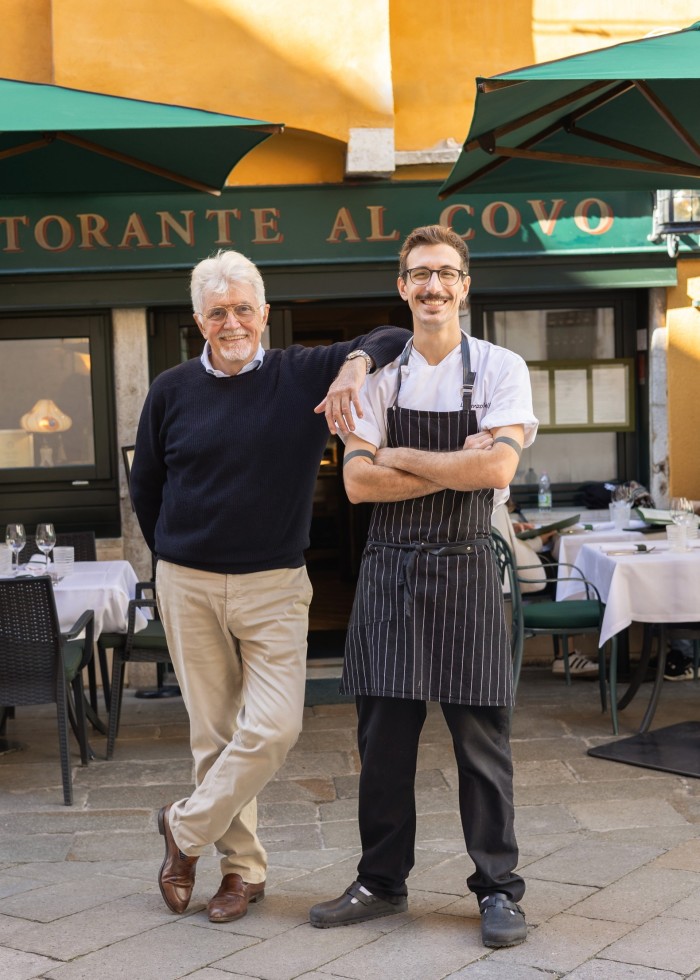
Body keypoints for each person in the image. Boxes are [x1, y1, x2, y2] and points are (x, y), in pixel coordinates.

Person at [129, 249, 409, 924]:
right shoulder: (170, 389)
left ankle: (183, 828)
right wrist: (173, 554)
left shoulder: (299, 371)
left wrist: (353, 364)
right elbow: (147, 487)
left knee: (275, 727)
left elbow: (393, 335)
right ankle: (242, 873)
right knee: (214, 735)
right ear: (199, 319)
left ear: (264, 312)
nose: (233, 323)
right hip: (188, 580)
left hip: (274, 583)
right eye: (218, 311)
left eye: (244, 309)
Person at [308, 225, 538, 948]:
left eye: (445, 273)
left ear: (465, 286)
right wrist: (449, 455)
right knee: (383, 745)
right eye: (419, 275)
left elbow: (496, 473)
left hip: (468, 566)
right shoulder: (377, 377)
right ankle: (381, 880)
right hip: (390, 572)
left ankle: (499, 890)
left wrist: (398, 453)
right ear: (402, 287)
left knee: (482, 745)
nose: (432, 286)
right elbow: (357, 482)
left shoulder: (503, 367)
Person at [491, 501, 599, 678]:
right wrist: (539, 540)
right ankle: (566, 656)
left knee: (559, 569)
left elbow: (503, 539)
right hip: (514, 580)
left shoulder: (486, 501)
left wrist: (513, 528)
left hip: (502, 581)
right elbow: (511, 550)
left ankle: (565, 656)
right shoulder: (495, 502)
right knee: (564, 572)